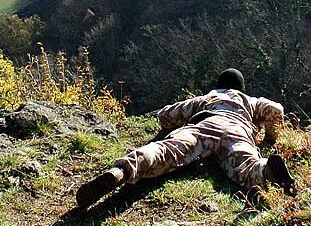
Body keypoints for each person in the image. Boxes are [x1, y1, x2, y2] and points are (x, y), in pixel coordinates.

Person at [75, 68, 297, 208]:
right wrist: (269, 139)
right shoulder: (250, 101)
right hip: (238, 131)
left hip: (206, 123)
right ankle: (267, 170)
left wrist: (175, 117)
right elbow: (276, 110)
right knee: (246, 165)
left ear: (219, 86)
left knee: (168, 150)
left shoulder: (208, 97)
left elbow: (166, 115)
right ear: (241, 88)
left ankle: (122, 171)